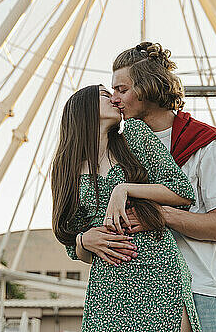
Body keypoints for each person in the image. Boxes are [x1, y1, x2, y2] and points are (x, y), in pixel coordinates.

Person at [79, 41, 216, 331]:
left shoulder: (207, 145)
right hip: (135, 287)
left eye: (122, 89)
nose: (114, 99)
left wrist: (159, 215)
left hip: (197, 284)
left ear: (148, 88)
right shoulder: (119, 148)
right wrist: (84, 240)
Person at [51, 85, 201, 331]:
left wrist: (124, 189)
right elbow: (70, 244)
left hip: (159, 268)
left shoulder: (135, 136)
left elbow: (182, 192)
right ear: (84, 108)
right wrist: (83, 240)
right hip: (109, 282)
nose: (114, 98)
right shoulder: (66, 169)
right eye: (104, 94)